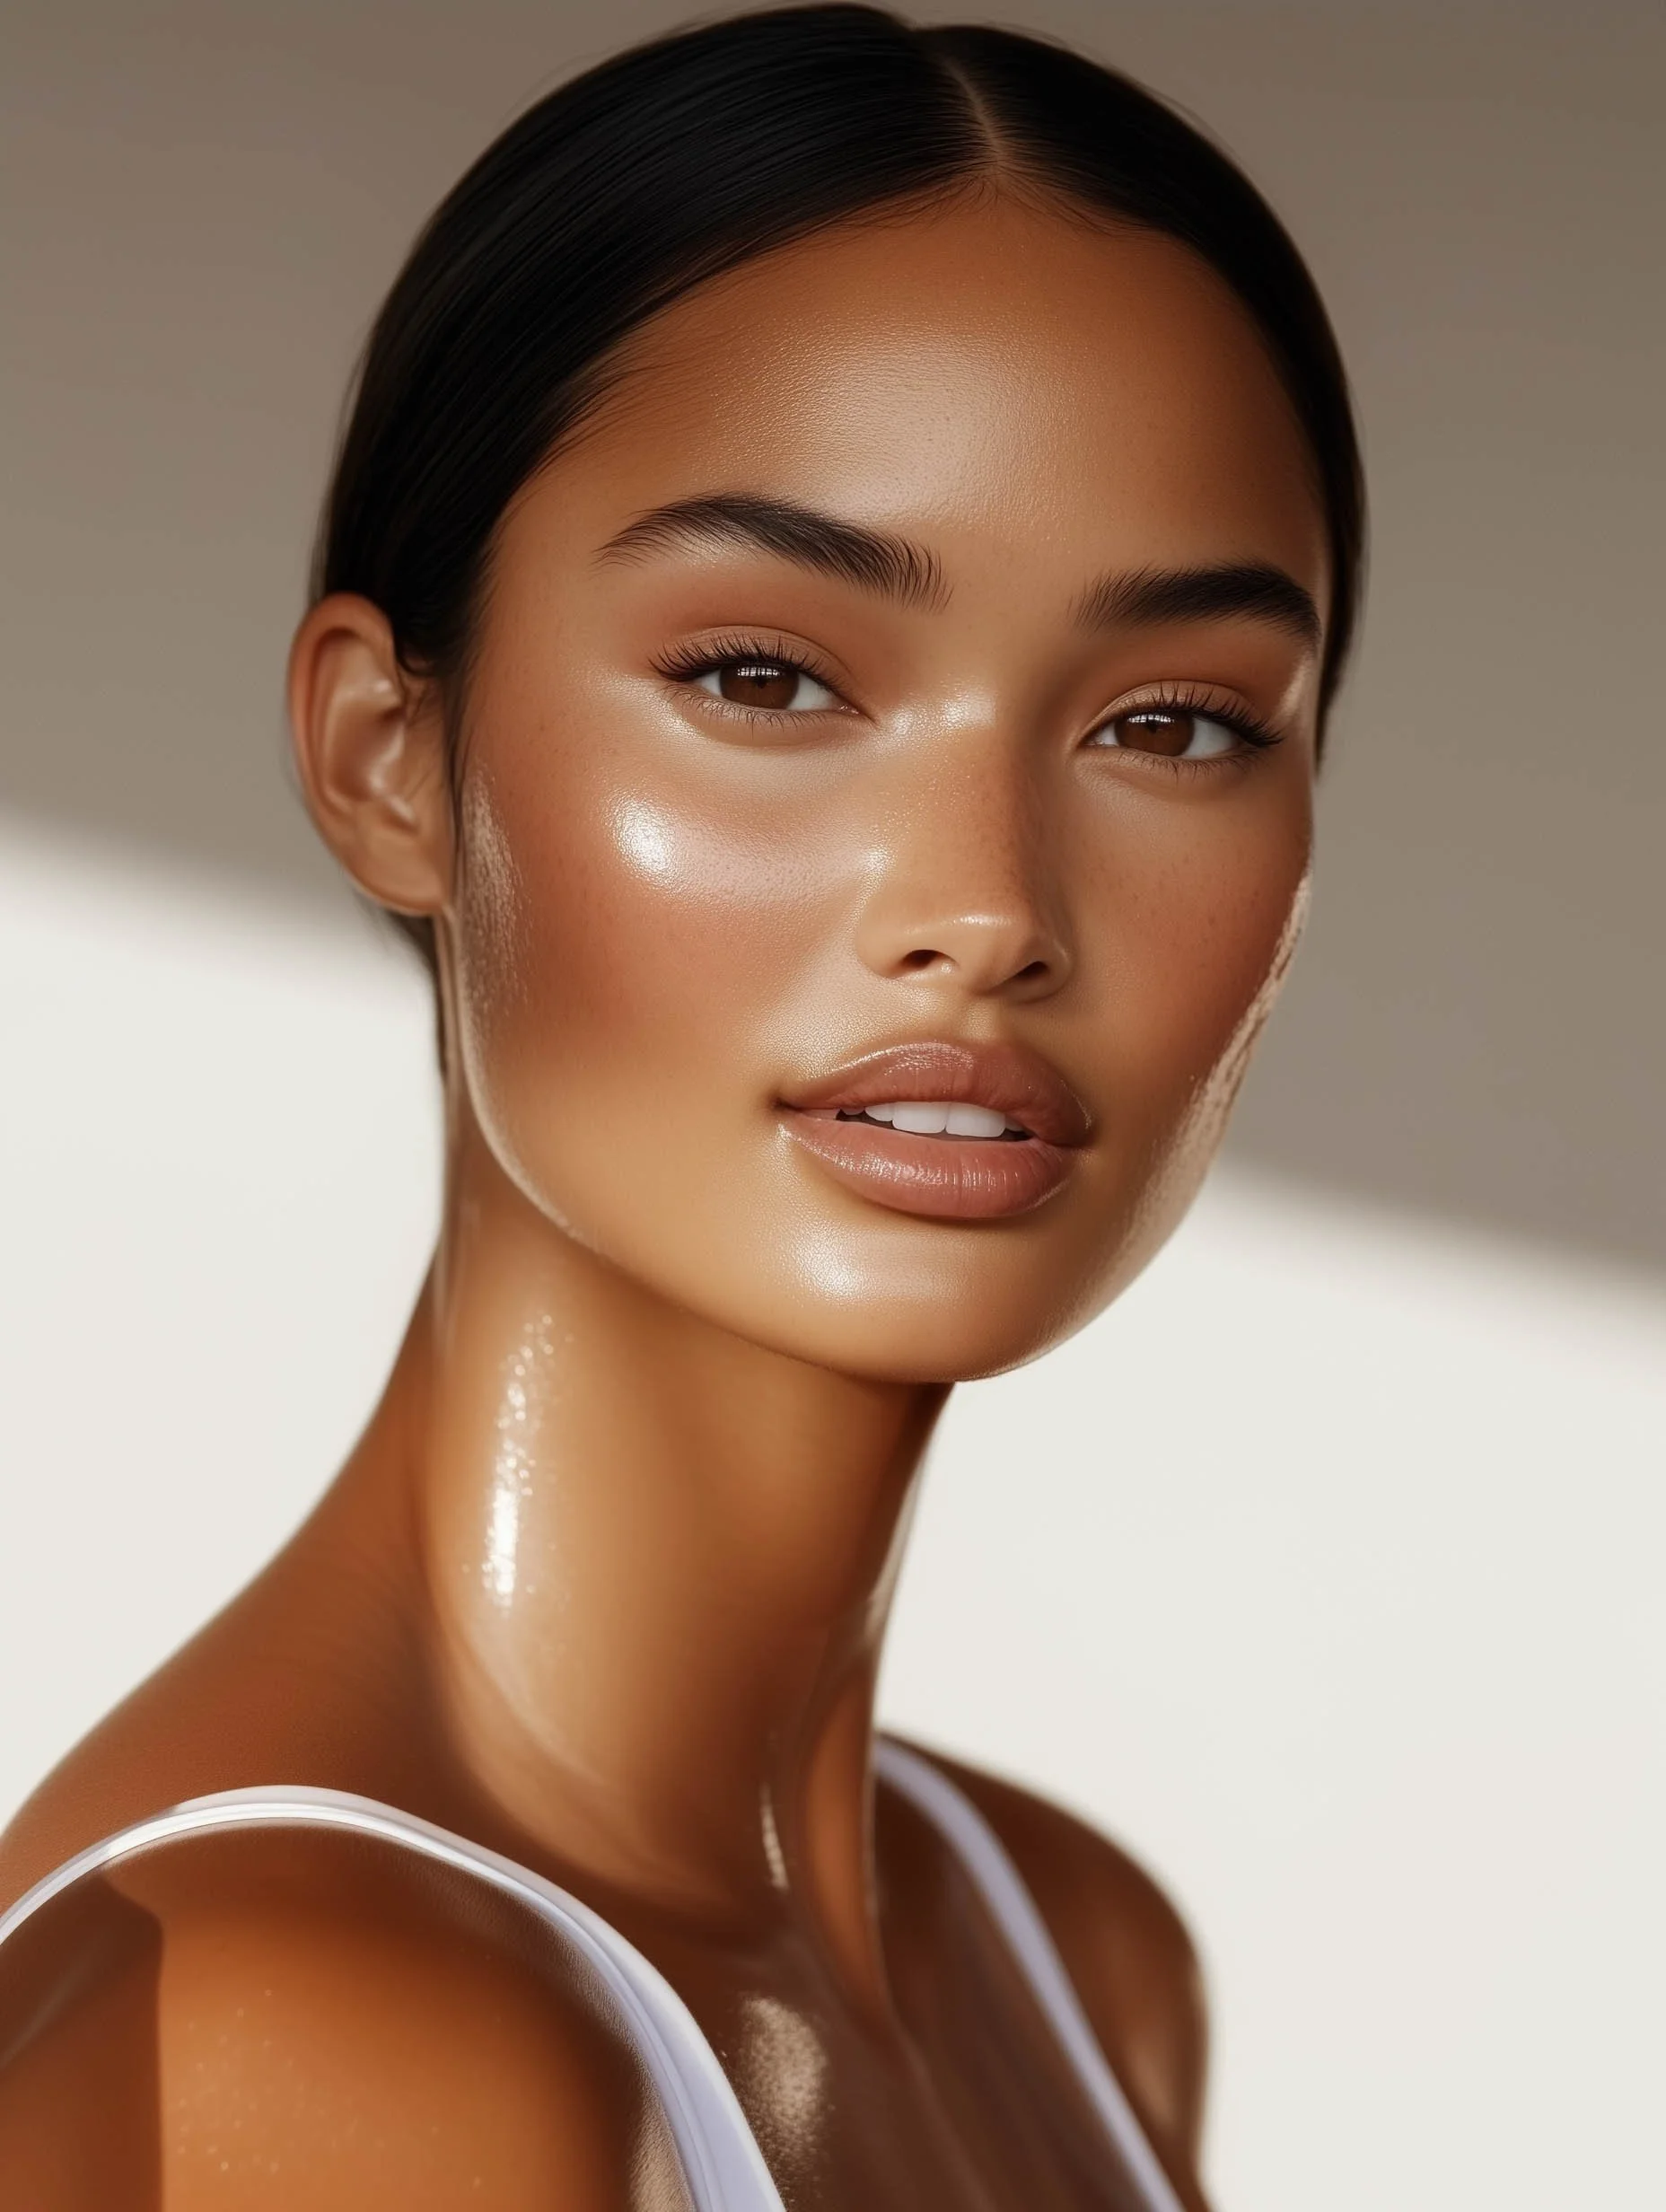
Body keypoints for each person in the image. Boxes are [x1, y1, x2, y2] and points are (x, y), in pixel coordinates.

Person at [0, 6, 1363, 2205]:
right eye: (767, 677)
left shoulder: (1072, 1958)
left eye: (1178, 723)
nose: (989, 908)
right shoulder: (320, 2049)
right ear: (382, 756)